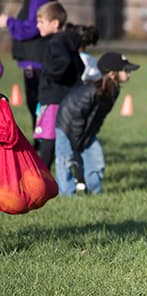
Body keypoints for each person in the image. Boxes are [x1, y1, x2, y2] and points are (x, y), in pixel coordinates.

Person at [54, 52, 139, 195]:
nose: (129, 73)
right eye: (126, 70)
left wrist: (91, 134)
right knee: (65, 160)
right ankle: (67, 194)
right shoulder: (91, 91)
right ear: (112, 73)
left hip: (86, 131)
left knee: (96, 159)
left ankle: (95, 191)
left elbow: (99, 116)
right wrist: (76, 142)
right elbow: (76, 117)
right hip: (67, 126)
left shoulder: (114, 91)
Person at [34, 1, 84, 170]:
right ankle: (79, 179)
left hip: (54, 99)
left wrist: (50, 75)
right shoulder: (69, 41)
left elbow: (64, 62)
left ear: (55, 23)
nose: (37, 25)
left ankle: (42, 175)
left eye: (41, 22)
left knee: (48, 140)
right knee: (68, 140)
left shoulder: (55, 42)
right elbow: (80, 66)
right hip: (69, 97)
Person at [0, 0, 49, 132]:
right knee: (35, 102)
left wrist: (8, 22)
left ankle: (43, 141)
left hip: (36, 59)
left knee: (39, 103)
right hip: (34, 59)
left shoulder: (38, 1)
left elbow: (31, 28)